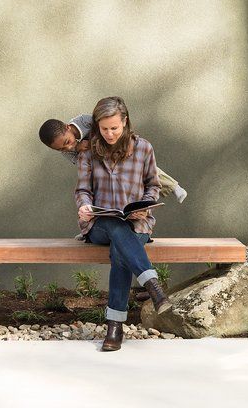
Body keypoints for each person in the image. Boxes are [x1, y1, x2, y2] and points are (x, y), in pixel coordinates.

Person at [74, 96, 172, 351]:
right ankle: (153, 286)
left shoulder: (143, 148)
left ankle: (114, 327)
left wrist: (144, 207)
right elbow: (83, 189)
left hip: (136, 224)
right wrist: (84, 206)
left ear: (125, 122)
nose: (109, 134)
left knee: (121, 248)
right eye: (104, 128)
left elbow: (153, 185)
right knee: (115, 228)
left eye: (114, 128)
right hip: (99, 226)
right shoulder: (89, 153)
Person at [38, 114, 187, 202]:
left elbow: (108, 128)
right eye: (61, 149)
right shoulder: (68, 151)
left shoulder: (84, 120)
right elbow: (84, 167)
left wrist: (91, 144)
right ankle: (92, 228)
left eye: (67, 142)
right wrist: (78, 148)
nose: (68, 148)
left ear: (67, 127)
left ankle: (173, 186)